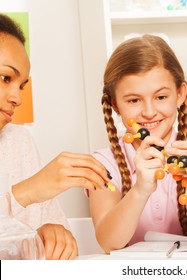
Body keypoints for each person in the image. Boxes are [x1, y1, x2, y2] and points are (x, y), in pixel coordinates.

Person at [89, 34, 187, 253]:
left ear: (180, 94)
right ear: (115, 105)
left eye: (161, 97)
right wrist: (140, 189)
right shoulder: (102, 164)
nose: (149, 112)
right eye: (134, 100)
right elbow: (109, 242)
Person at [0, 13, 111, 259]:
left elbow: (47, 233)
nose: (17, 98)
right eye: (5, 78)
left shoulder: (19, 141)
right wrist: (27, 191)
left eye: (21, 85)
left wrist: (47, 236)